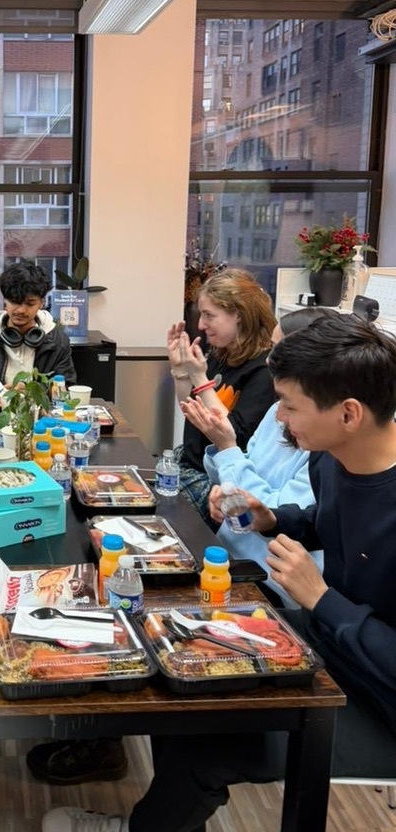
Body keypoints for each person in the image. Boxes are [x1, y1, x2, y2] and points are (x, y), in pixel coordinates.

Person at [42, 311, 396, 832]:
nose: (280, 418)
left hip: (377, 702)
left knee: (202, 745)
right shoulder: (331, 459)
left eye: (290, 406)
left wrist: (322, 599)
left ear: (348, 414)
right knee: (171, 662)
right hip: (327, 641)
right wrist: (274, 518)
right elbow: (329, 523)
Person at [180, 307, 329, 606]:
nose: (269, 360)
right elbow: (245, 469)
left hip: (267, 581)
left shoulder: (322, 438)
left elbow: (275, 515)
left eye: (278, 350)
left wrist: (227, 448)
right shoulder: (277, 410)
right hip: (226, 554)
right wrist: (223, 491)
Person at [167, 267, 276, 518]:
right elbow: (192, 410)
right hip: (190, 463)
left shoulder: (264, 369)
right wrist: (180, 370)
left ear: (238, 314)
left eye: (209, 315)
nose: (200, 325)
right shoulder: (223, 353)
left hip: (219, 485)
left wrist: (199, 377)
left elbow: (234, 436)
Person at [0, 259, 76, 388]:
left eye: (30, 303)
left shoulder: (58, 342)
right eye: (14, 301)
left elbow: (67, 386)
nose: (21, 310)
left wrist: (33, 391)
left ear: (41, 303)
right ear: (5, 300)